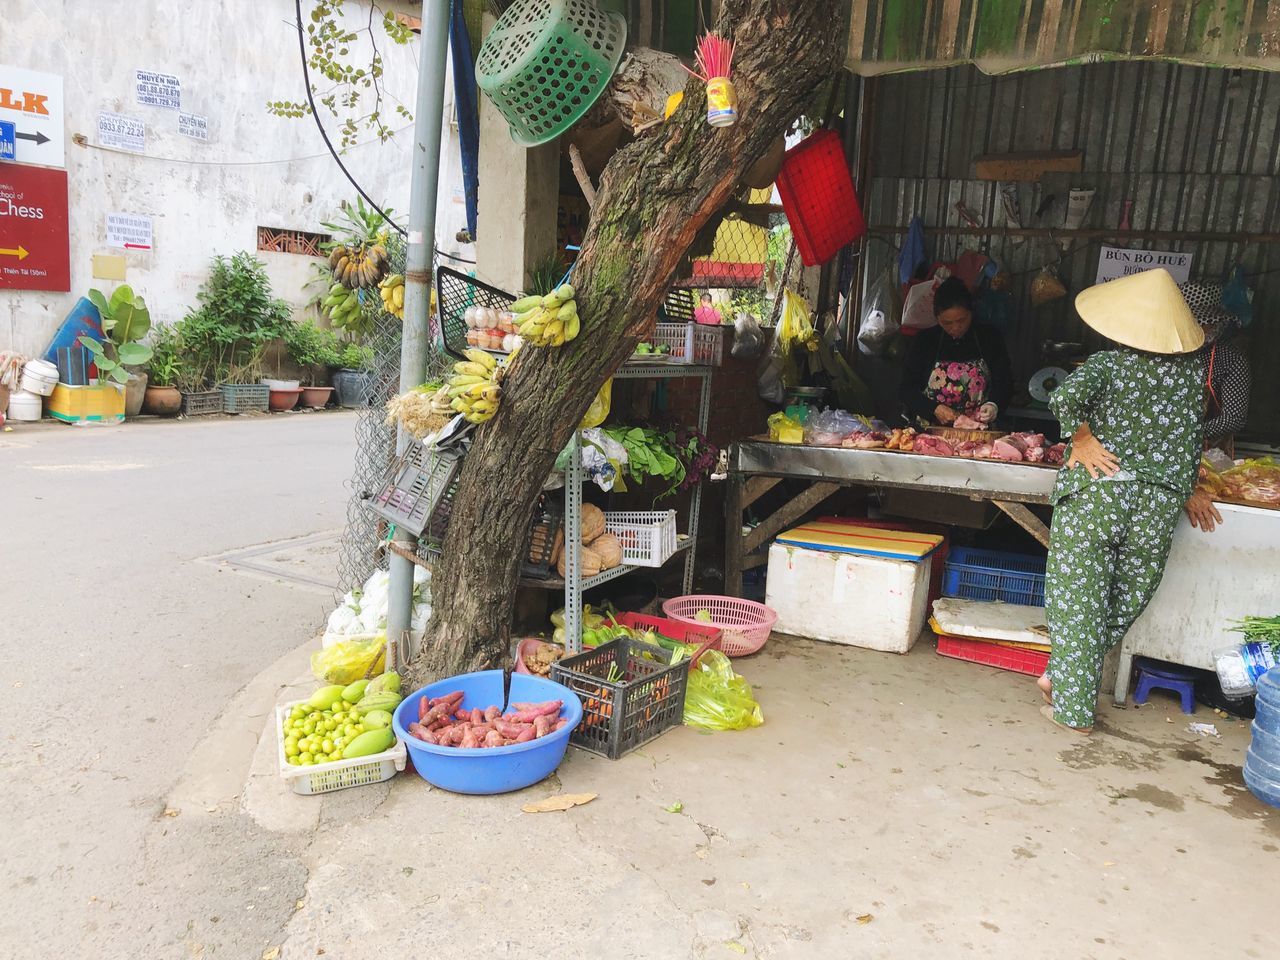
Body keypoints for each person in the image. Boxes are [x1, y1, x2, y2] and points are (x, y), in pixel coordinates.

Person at [1037, 269, 1211, 734]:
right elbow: (1191, 441)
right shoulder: (1193, 379)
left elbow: (1064, 398)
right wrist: (1188, 487)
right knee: (1122, 599)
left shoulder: (1108, 365)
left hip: (1099, 494)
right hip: (1154, 509)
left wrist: (1083, 440)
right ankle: (1061, 676)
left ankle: (1071, 710)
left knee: (1078, 603)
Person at [1181, 281, 1251, 533]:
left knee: (1205, 517)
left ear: (1218, 325)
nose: (1201, 328)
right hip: (1158, 453)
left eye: (1206, 322)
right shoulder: (1165, 354)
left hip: (1212, 456)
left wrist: (1185, 434)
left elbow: (1234, 417)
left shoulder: (1230, 360)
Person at [899, 276, 1013, 426]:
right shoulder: (925, 340)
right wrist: (934, 409)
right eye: (947, 322)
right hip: (930, 434)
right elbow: (906, 388)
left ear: (971, 312)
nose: (955, 328)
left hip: (978, 433)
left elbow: (1005, 383)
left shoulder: (990, 338)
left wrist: (994, 405)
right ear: (937, 318)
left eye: (962, 320)